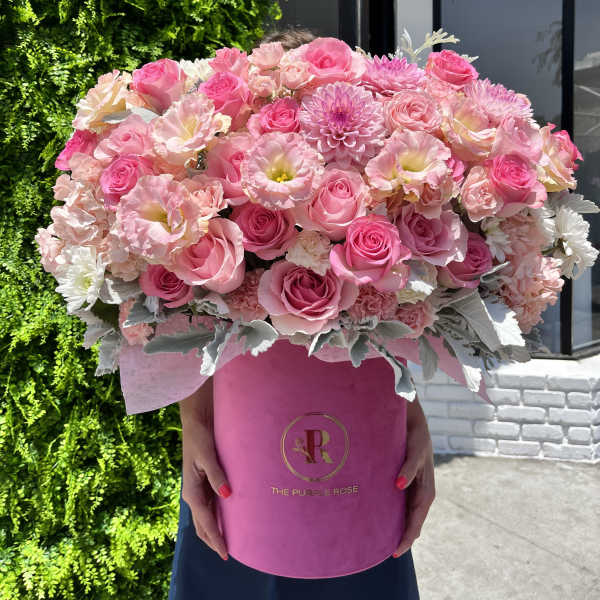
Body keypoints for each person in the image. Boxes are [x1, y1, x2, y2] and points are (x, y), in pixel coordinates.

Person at [167, 28, 436, 600]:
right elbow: (187, 327)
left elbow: (396, 321)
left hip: (362, 470)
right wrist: (194, 425)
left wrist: (414, 420)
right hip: (238, 465)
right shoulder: (213, 191)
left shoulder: (373, 189)